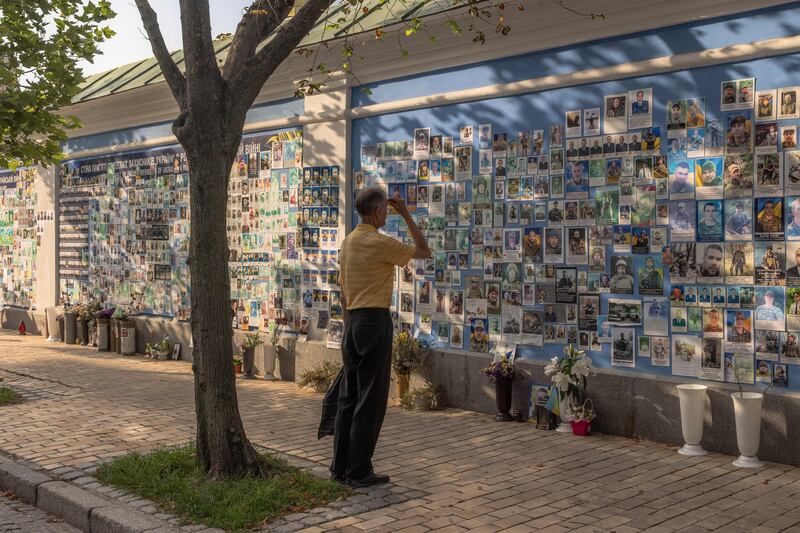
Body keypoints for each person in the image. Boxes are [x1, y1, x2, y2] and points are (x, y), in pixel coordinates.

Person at [328, 187, 431, 487]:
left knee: (349, 396)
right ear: (376, 213)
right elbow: (423, 250)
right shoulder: (379, 242)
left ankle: (340, 467)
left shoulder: (348, 243)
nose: (388, 213)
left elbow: (344, 294)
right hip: (374, 320)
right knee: (371, 398)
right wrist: (407, 215)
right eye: (386, 210)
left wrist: (350, 326)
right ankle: (359, 470)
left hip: (353, 321)